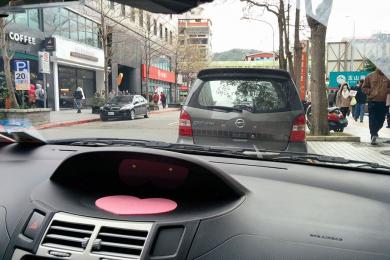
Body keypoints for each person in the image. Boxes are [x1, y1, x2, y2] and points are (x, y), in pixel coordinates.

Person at [362, 68, 390, 145]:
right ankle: (373, 135)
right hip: (372, 101)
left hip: (384, 102)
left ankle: (374, 132)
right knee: (372, 119)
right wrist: (371, 92)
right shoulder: (370, 76)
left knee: (381, 121)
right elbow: (364, 88)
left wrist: (387, 90)